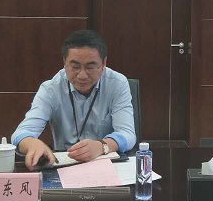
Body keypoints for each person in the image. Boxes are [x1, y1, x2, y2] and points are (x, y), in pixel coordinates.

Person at [11, 29, 135, 168]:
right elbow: (20, 134)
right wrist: (33, 144)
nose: (82, 75)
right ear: (65, 62)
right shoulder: (50, 89)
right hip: (65, 165)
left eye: (90, 67)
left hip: (105, 163)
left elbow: (127, 134)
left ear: (104, 63)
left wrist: (101, 146)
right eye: (75, 67)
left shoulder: (117, 84)